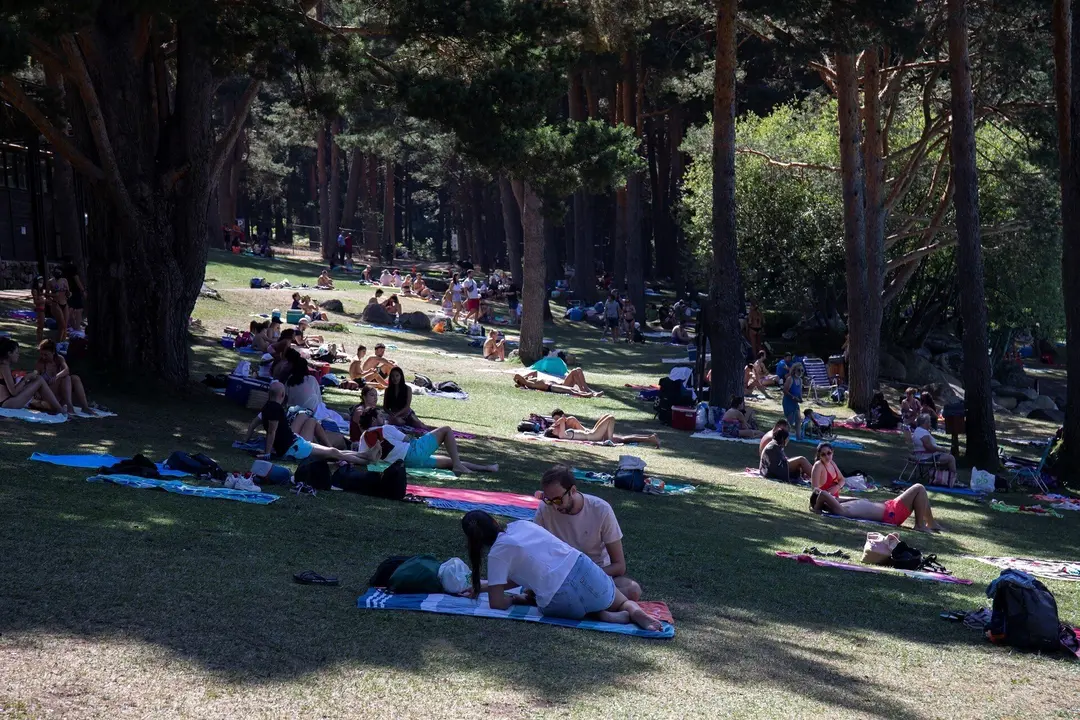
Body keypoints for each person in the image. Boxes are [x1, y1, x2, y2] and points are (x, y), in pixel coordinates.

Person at [460, 511, 661, 631]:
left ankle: (599, 615)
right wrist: (482, 586)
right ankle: (633, 611)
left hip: (559, 597)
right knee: (623, 602)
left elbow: (497, 603)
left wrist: (512, 599)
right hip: (583, 568)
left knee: (533, 595)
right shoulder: (521, 525)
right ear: (495, 522)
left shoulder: (497, 554)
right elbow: (524, 573)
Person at [533, 465, 643, 601]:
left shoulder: (601, 509)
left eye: (558, 500)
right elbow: (535, 552)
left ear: (572, 491)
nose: (554, 506)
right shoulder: (545, 509)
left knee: (633, 590)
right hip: (559, 576)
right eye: (549, 500)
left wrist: (585, 576)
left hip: (597, 575)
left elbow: (619, 566)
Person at [249, 381, 375, 464]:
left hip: (295, 442)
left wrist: (246, 441)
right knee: (333, 452)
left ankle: (364, 455)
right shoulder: (275, 409)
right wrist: (267, 453)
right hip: (294, 448)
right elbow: (271, 432)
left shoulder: (266, 408)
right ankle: (366, 459)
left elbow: (253, 425)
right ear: (282, 394)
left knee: (333, 451)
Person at [356, 408, 496, 473]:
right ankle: (461, 466)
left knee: (449, 461)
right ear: (374, 420)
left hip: (404, 463)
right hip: (413, 453)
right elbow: (407, 439)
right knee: (446, 429)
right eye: (380, 416)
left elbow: (363, 456)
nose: (384, 418)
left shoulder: (364, 438)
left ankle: (486, 468)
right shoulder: (385, 428)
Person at [812, 483, 945, 533]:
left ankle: (931, 523)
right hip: (891, 514)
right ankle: (920, 525)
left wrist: (835, 499)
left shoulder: (839, 505)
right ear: (824, 503)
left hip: (890, 508)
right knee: (919, 488)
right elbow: (823, 494)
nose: (831, 495)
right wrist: (816, 509)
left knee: (920, 492)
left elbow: (833, 497)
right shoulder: (839, 510)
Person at [0, 338, 64, 413]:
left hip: (7, 401)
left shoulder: (3, 365)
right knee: (39, 379)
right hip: (7, 403)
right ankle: (60, 409)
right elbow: (13, 392)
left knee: (37, 379)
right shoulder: (4, 367)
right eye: (16, 353)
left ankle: (56, 407)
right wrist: (25, 379)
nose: (18, 355)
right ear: (9, 353)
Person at [35, 340, 95, 416]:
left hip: (60, 395)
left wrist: (56, 376)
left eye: (46, 355)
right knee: (66, 378)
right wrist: (36, 392)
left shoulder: (59, 359)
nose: (43, 357)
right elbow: (35, 378)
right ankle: (69, 406)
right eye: (41, 354)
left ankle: (85, 407)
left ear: (53, 352)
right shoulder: (40, 363)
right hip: (49, 395)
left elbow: (66, 370)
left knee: (74, 378)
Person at [547, 409, 660, 447]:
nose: (555, 425)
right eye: (554, 427)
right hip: (594, 436)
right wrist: (556, 424)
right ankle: (609, 440)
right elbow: (562, 420)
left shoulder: (564, 430)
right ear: (554, 433)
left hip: (593, 433)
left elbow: (564, 419)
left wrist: (555, 425)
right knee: (611, 418)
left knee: (607, 417)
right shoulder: (562, 435)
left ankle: (650, 438)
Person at [911, 413, 957, 485]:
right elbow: (929, 447)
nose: (930, 423)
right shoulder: (923, 433)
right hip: (927, 457)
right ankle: (953, 480)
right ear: (925, 422)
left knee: (947, 455)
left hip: (921, 455)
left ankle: (943, 478)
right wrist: (941, 449)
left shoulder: (918, 430)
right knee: (951, 458)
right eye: (929, 422)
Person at [383, 366, 432, 431]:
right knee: (398, 422)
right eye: (392, 376)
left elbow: (407, 406)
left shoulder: (408, 389)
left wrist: (397, 414)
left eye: (397, 376)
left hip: (407, 414)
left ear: (401, 376)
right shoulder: (388, 390)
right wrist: (392, 414)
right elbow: (385, 407)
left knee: (420, 425)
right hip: (394, 415)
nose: (395, 378)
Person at [514, 371, 602, 398]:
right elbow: (517, 375)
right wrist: (517, 380)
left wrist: (525, 376)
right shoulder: (529, 383)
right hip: (551, 386)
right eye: (523, 379)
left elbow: (535, 372)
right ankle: (584, 393)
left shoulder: (531, 380)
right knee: (570, 390)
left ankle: (587, 390)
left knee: (577, 370)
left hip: (558, 384)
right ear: (522, 382)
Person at [782, 362, 805, 440]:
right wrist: (793, 398)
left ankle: (798, 437)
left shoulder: (800, 380)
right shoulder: (790, 379)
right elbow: (785, 391)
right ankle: (783, 437)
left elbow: (799, 391)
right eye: (799, 370)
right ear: (794, 370)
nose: (800, 372)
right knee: (790, 421)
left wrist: (800, 399)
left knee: (798, 419)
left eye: (802, 370)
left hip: (795, 402)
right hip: (788, 402)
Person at [47, 266, 70, 341]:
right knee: (62, 325)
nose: (58, 273)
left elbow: (68, 294)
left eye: (59, 272)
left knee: (65, 326)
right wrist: (53, 296)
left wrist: (67, 292)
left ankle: (63, 342)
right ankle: (58, 342)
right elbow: (47, 294)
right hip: (56, 303)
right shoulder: (50, 281)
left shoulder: (64, 280)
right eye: (56, 272)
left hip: (65, 303)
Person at [63, 260, 86, 331]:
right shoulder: (73, 268)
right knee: (79, 310)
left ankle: (73, 326)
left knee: (71, 309)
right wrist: (83, 290)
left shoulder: (64, 269)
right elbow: (77, 280)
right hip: (75, 291)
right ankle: (77, 328)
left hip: (68, 291)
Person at [30, 275, 47, 344]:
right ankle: (39, 341)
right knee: (40, 326)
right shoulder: (35, 290)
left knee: (41, 326)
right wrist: (44, 301)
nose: (41, 283)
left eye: (42, 282)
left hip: (42, 309)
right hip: (39, 309)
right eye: (40, 282)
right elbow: (35, 302)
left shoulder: (40, 290)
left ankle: (40, 339)